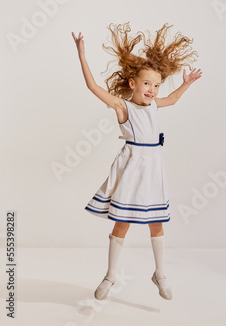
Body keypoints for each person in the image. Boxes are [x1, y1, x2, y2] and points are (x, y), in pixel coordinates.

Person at [72, 23, 201, 301]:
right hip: (132, 166)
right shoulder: (124, 107)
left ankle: (160, 273)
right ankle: (110, 275)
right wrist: (82, 53)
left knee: (157, 222)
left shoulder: (154, 104)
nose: (153, 90)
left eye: (156, 85)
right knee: (121, 222)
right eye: (147, 84)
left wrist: (186, 83)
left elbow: (174, 99)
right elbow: (92, 86)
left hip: (153, 166)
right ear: (133, 83)